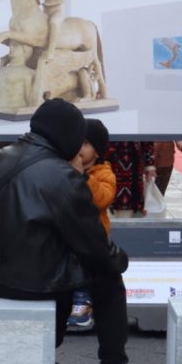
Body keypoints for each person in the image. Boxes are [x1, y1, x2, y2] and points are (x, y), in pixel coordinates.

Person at [0, 99, 136, 364]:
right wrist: (119, 261)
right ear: (67, 135)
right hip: (33, 284)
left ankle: (48, 363)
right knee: (108, 279)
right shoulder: (63, 177)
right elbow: (95, 247)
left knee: (66, 263)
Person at [68, 118, 115, 332]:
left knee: (84, 264)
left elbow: (102, 199)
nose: (79, 148)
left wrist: (83, 176)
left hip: (93, 238)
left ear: (97, 151)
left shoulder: (104, 173)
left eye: (86, 143)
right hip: (68, 232)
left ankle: (83, 301)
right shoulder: (65, 168)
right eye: (77, 141)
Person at [107, 141, 156, 217]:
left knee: (129, 212)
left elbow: (146, 136)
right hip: (106, 161)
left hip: (133, 167)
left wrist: (149, 164)